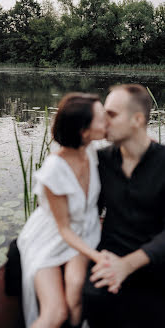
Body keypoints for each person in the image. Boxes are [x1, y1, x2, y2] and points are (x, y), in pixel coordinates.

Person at [17, 92, 108, 328]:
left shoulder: (88, 150)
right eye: (101, 117)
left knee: (75, 293)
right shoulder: (52, 172)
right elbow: (64, 229)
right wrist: (97, 256)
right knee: (55, 313)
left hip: (85, 230)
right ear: (83, 130)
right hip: (52, 237)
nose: (108, 120)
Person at [82, 84, 165, 328]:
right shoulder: (100, 161)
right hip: (109, 255)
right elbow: (87, 215)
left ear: (137, 120)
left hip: (155, 260)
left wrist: (126, 266)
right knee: (92, 297)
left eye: (112, 114)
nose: (103, 121)